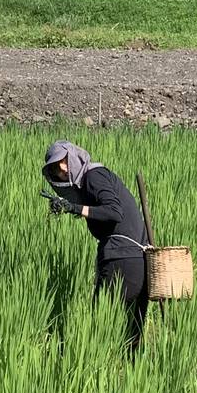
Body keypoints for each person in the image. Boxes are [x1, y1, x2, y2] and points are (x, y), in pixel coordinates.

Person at [41, 140, 150, 356]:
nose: (62, 169)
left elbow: (113, 212)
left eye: (63, 162)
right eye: (55, 168)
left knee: (97, 326)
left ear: (73, 157)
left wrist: (74, 208)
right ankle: (130, 381)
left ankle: (88, 372)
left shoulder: (94, 175)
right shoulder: (94, 178)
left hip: (122, 260)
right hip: (137, 262)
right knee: (131, 335)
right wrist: (75, 207)